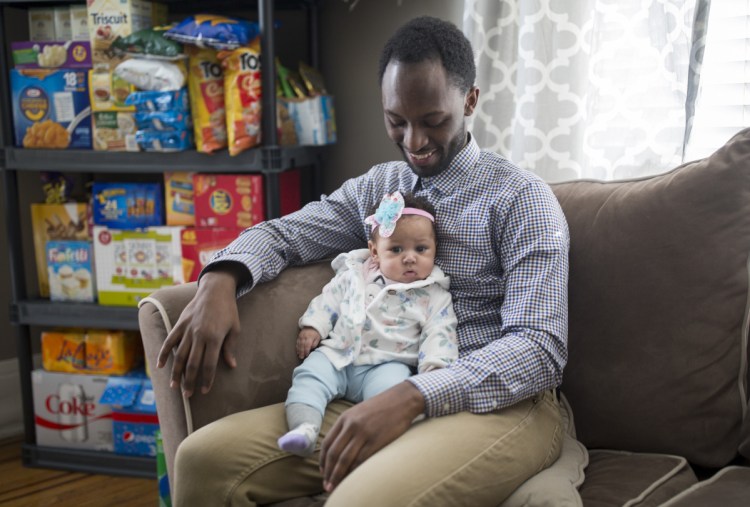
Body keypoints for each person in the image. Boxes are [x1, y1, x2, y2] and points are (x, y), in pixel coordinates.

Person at [158, 15, 569, 506]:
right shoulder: (380, 188)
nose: (414, 141)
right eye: (397, 121)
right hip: (377, 383)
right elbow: (287, 234)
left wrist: (416, 395)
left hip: (501, 407)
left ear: (470, 101)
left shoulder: (521, 198)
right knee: (202, 460)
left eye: (433, 121)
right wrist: (221, 278)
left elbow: (540, 347)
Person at [278, 191, 458, 457]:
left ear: (434, 250)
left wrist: (434, 370)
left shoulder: (433, 294)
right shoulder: (355, 275)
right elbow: (330, 299)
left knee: (391, 395)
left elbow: (440, 333)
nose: (409, 258)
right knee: (309, 377)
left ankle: (385, 450)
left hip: (388, 363)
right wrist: (314, 325)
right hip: (338, 353)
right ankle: (304, 428)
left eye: (421, 249)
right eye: (396, 249)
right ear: (375, 252)